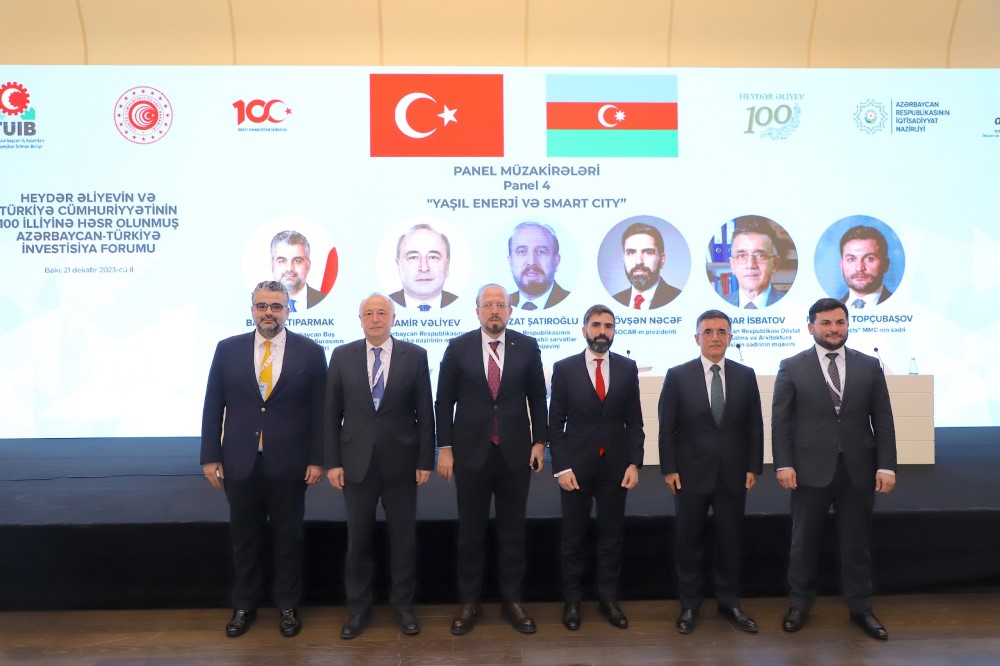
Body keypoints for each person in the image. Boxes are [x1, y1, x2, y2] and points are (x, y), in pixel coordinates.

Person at [200, 280, 327, 638]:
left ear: (288, 309)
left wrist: (318, 459)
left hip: (290, 464)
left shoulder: (311, 352)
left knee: (289, 539)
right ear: (252, 310)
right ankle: (244, 605)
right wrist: (210, 455)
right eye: (262, 306)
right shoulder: (227, 349)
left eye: (276, 306)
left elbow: (321, 411)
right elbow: (213, 404)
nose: (268, 312)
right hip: (240, 462)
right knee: (244, 539)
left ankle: (288, 606)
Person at [772, 298, 897, 640]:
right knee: (803, 542)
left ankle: (860, 608)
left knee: (856, 544)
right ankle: (799, 604)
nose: (833, 329)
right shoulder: (791, 366)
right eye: (825, 323)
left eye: (839, 322)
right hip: (808, 469)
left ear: (847, 325)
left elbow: (883, 419)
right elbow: (781, 421)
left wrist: (887, 466)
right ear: (810, 326)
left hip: (858, 468)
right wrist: (784, 463)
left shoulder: (869, 366)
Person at [435, 284, 548, 635]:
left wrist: (540, 441)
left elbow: (538, 397)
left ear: (510, 311)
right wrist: (445, 447)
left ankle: (512, 600)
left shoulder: (527, 346)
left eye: (501, 304)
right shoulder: (458, 347)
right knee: (471, 532)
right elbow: (443, 402)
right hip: (470, 453)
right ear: (477, 311)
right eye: (488, 304)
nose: (495, 310)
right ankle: (470, 601)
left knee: (513, 531)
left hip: (515, 452)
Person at [324, 293, 435, 639]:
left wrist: (425, 460)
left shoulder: (415, 355)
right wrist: (332, 462)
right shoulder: (341, 355)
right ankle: (359, 609)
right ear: (360, 319)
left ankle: (403, 606)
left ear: (393, 319)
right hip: (356, 463)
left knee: (403, 540)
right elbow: (330, 414)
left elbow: (425, 413)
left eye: (382, 313)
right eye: (369, 313)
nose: (375, 318)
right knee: (358, 541)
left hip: (402, 462)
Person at [658, 310, 763, 635]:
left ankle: (729, 602)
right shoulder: (677, 375)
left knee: (730, 542)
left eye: (721, 331)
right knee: (688, 542)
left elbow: (754, 426)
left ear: (730, 337)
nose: (715, 337)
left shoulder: (746, 375)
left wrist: (753, 466)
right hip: (689, 474)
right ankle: (690, 605)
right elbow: (667, 427)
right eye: (708, 332)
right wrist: (669, 469)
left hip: (733, 473)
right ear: (697, 338)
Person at [548, 304, 644, 631]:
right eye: (596, 325)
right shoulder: (564, 368)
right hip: (575, 469)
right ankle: (573, 602)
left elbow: (635, 422)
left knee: (611, 539)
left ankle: (609, 600)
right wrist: (561, 468)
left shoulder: (628, 368)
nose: (602, 331)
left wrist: (634, 462)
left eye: (608, 326)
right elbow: (555, 424)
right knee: (573, 539)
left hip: (616, 468)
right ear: (584, 330)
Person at [612, 222, 681, 309]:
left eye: (648, 252)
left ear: (662, 259)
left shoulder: (679, 299)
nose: (638, 261)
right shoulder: (614, 301)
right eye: (631, 252)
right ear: (624, 258)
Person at [389, 224, 458, 311]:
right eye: (413, 257)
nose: (424, 268)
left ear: (447, 266)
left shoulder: (463, 305)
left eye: (433, 257)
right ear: (398, 266)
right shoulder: (383, 304)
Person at [722, 217, 786, 309]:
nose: (750, 265)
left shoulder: (792, 307)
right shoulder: (717, 307)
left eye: (760, 256)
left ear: (775, 264)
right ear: (733, 265)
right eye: (742, 256)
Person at [507, 222, 570, 310]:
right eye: (522, 252)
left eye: (541, 252)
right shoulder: (502, 303)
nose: (531, 262)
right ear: (510, 261)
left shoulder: (573, 302)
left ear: (556, 261)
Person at [838, 225, 894, 308]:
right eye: (851, 259)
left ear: (886, 264)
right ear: (841, 266)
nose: (859, 268)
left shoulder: (902, 307)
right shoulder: (830, 310)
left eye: (869, 259)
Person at [270, 230, 326, 311]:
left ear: (308, 265)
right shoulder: (257, 303)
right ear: (272, 266)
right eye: (282, 261)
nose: (289, 268)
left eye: (297, 261)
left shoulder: (326, 301)